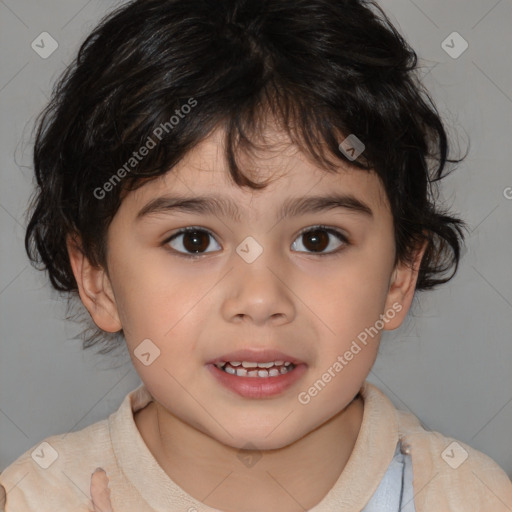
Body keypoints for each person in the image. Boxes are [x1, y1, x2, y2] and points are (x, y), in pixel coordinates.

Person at [1, 0, 511, 510]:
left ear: (399, 277)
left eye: (317, 239)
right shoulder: (35, 498)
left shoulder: (470, 497)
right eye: (194, 240)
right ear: (97, 279)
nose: (261, 299)